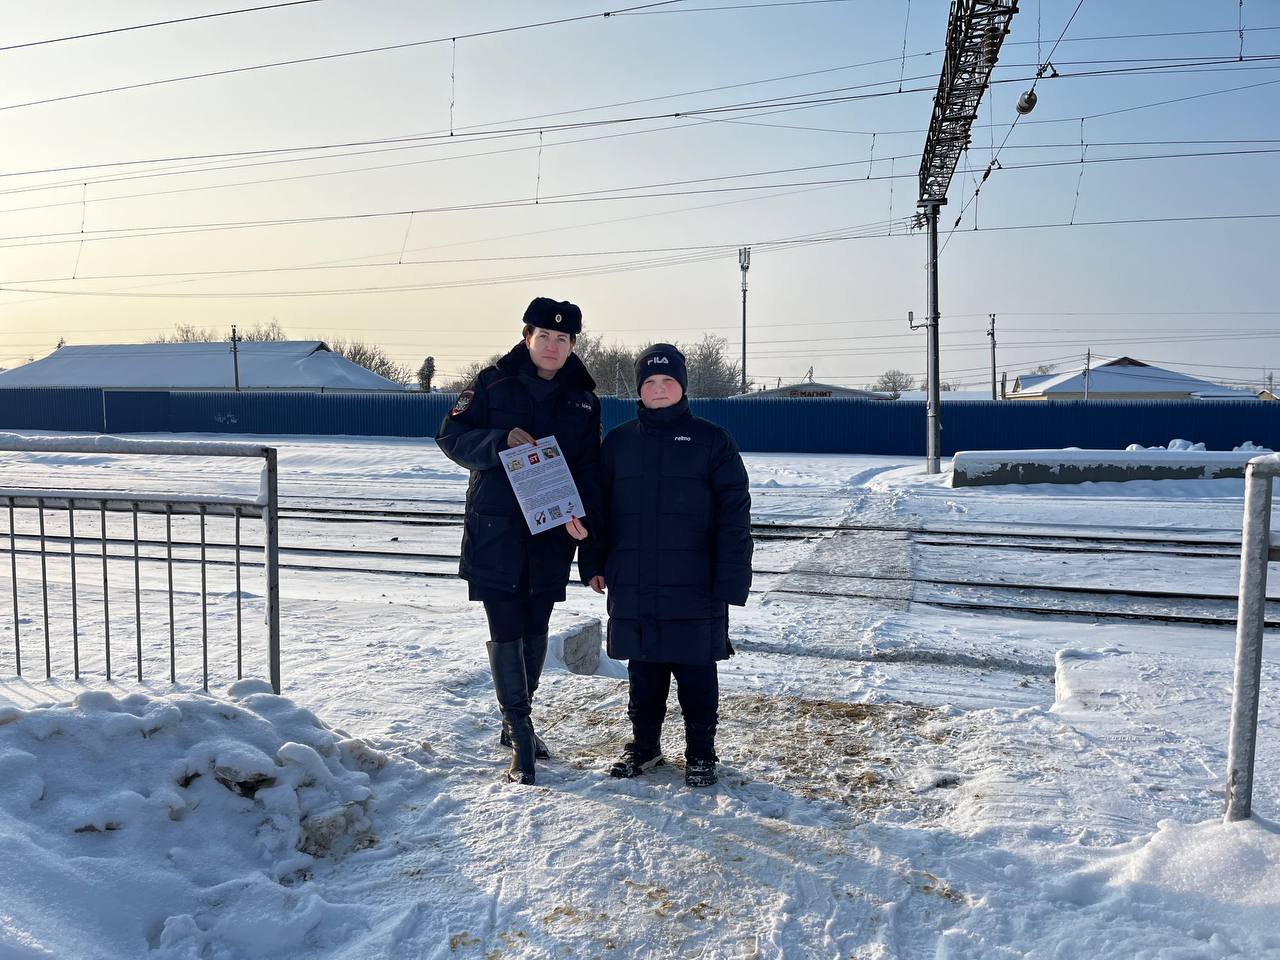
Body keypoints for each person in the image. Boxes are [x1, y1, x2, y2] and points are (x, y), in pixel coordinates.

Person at [435, 297, 602, 785]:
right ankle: (522, 734)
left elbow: (589, 466)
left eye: (562, 338)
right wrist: (497, 441)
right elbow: (450, 436)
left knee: (535, 627)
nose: (552, 345)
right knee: (506, 625)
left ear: (573, 345)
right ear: (526, 337)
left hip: (551, 530)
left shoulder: (583, 399)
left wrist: (582, 515)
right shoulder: (492, 383)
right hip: (498, 530)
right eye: (543, 336)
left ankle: (515, 721)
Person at [579, 343, 752, 788]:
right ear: (639, 389)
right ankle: (645, 747)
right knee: (644, 669)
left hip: (695, 582)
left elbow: (734, 515)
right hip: (633, 579)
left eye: (668, 381)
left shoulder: (711, 440)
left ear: (683, 387)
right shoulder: (618, 442)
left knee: (696, 670)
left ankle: (701, 753)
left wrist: (731, 577)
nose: (659, 389)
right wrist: (593, 560)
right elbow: (597, 510)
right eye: (650, 382)